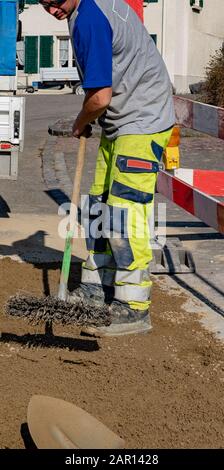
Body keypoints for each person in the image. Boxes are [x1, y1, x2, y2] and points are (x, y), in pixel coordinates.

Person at [40, 0, 175, 336]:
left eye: (55, 2)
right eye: (44, 4)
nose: (52, 10)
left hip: (142, 119)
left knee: (124, 212)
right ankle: (95, 290)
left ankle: (133, 307)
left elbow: (99, 97)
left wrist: (79, 123)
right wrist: (93, 119)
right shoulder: (82, 10)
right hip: (120, 120)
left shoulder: (90, 19)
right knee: (99, 205)